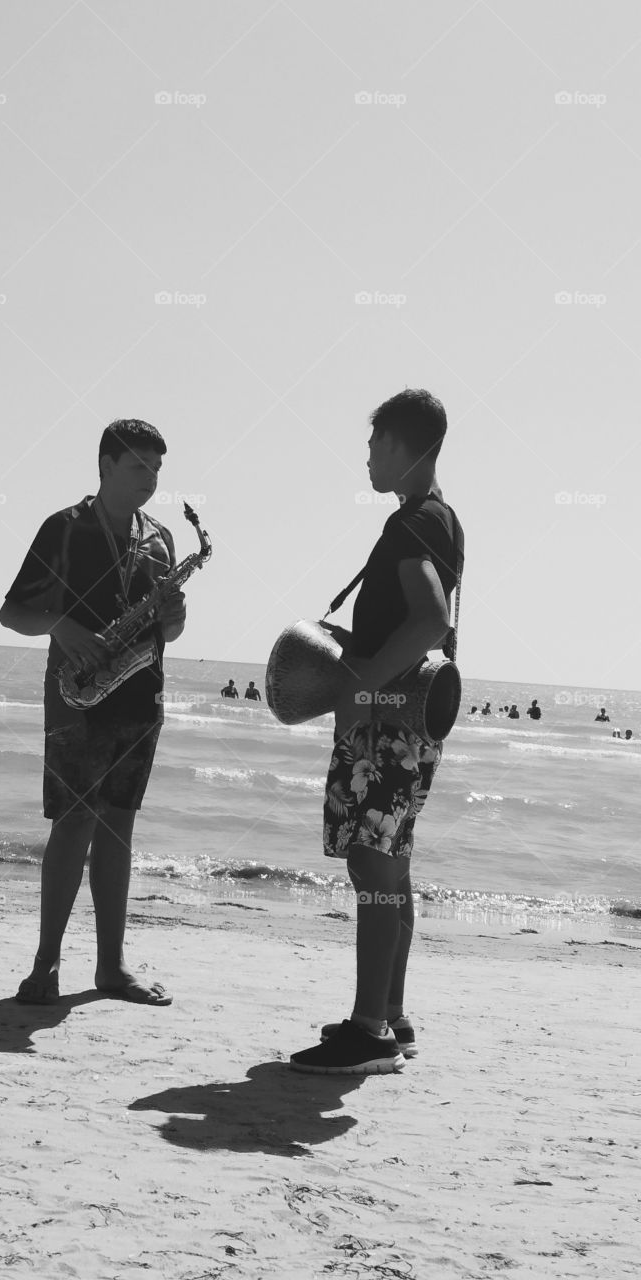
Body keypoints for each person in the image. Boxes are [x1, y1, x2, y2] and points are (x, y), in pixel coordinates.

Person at [289, 388, 463, 1075]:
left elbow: (432, 618)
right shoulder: (439, 518)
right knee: (393, 866)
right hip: (412, 719)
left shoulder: (414, 523)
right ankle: (391, 1014)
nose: (366, 456)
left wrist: (362, 684)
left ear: (400, 444)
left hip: (389, 722)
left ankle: (369, 1033)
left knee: (372, 865)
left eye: (373, 443)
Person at [0, 418, 185, 1007]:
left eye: (157, 468)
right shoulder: (64, 528)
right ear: (105, 466)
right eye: (138, 466)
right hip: (75, 698)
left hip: (140, 695)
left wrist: (174, 620)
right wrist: (60, 624)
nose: (150, 479)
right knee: (74, 823)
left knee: (119, 825)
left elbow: (168, 632)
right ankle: (45, 965)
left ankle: (112, 967)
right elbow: (11, 613)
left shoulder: (161, 538)